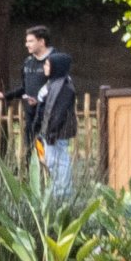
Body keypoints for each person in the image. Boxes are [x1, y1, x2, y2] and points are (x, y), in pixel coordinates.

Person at [25, 26, 80, 196]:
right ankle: (58, 191)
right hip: (48, 132)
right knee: (51, 162)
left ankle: (63, 193)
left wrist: (51, 131)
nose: (45, 67)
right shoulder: (52, 84)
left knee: (59, 163)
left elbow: (59, 111)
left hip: (56, 133)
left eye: (49, 64)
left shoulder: (63, 86)